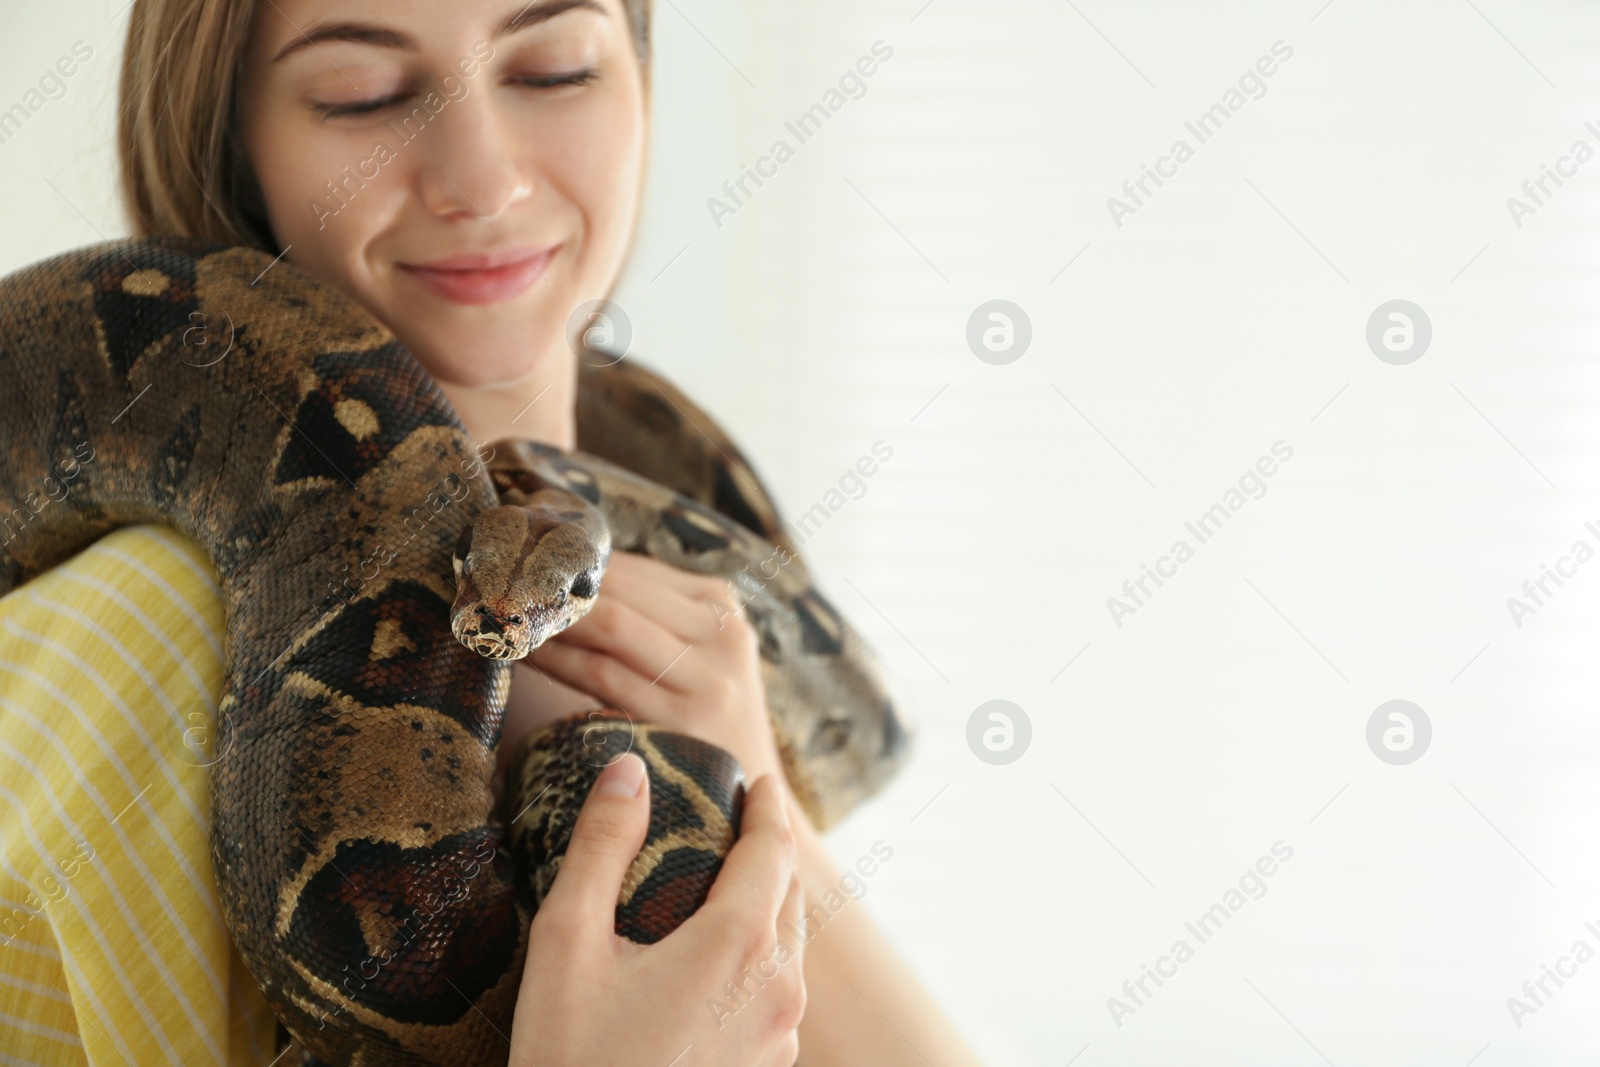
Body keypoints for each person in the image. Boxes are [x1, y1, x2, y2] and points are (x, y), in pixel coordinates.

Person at [0, 0, 985, 1063]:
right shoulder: (101, 660)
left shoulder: (717, 623)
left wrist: (758, 795)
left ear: (645, 89)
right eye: (362, 94)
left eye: (556, 70)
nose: (484, 179)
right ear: (227, 144)